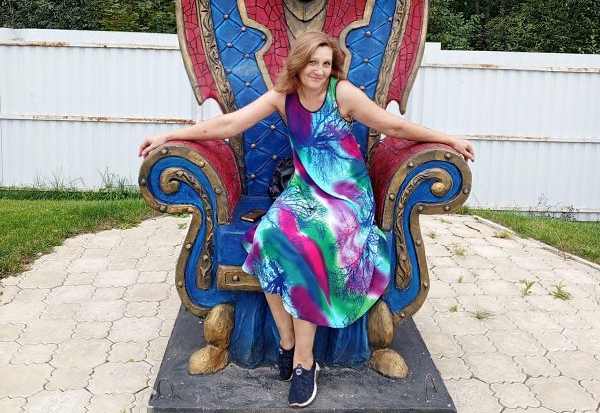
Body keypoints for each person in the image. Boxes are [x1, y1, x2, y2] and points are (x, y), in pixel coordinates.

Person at [139, 30, 474, 409]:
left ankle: (304, 361)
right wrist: (170, 136)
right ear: (299, 63)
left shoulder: (341, 93)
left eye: (326, 64)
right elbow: (228, 125)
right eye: (313, 62)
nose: (319, 70)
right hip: (305, 191)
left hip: (347, 196)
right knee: (266, 238)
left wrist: (448, 140)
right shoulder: (283, 97)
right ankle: (286, 339)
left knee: (309, 243)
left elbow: (392, 126)